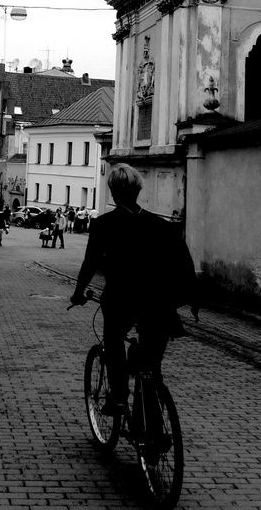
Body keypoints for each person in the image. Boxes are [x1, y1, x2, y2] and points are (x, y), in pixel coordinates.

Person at [70, 164, 198, 416]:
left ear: (113, 193)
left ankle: (118, 396)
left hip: (121, 300)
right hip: (159, 304)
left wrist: (78, 292)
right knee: (151, 365)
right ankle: (151, 428)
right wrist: (191, 297)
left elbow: (90, 262)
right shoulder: (159, 225)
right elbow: (184, 261)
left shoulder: (104, 224)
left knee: (114, 340)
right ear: (138, 190)